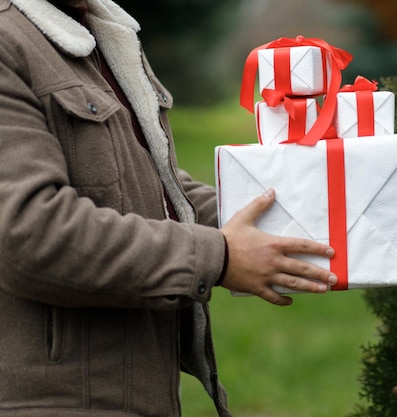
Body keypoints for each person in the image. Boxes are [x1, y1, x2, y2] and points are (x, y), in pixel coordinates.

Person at [0, 0, 338, 416]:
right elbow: (31, 233)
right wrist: (221, 256)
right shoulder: (8, 41)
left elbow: (156, 189)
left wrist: (314, 218)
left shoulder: (102, 31)